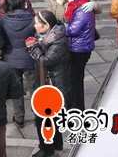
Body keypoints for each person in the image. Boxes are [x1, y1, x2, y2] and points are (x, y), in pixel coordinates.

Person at [25, 11, 70, 157]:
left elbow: (48, 60)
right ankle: (57, 143)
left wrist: (33, 48)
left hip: (54, 83)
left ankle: (46, 149)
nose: (35, 26)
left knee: (43, 117)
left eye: (37, 23)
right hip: (48, 81)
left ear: (47, 26)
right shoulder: (45, 36)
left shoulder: (58, 40)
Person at [0, 0, 36, 128]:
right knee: (34, 88)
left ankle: (19, 118)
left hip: (11, 59)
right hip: (30, 59)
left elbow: (0, 40)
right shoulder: (32, 19)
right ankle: (38, 116)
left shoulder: (2, 21)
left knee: (16, 90)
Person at [63, 0, 96, 111]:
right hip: (80, 47)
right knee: (76, 80)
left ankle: (76, 109)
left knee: (75, 82)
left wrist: (62, 27)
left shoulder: (82, 10)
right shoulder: (79, 6)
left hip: (78, 49)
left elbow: (72, 30)